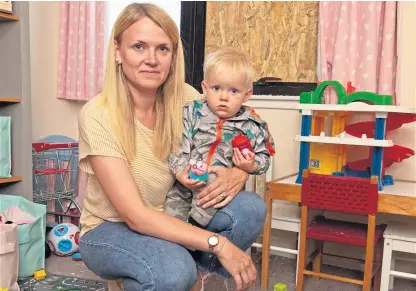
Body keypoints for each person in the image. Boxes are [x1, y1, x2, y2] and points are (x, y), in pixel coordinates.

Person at [77, 3, 266, 291]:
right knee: (173, 271)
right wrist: (219, 244)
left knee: (251, 208)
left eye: (162, 49)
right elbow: (135, 216)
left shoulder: (190, 101)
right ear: (118, 51)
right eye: (139, 46)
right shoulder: (97, 114)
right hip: (109, 228)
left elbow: (242, 130)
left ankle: (190, 275)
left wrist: (240, 173)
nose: (151, 59)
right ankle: (169, 270)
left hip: (173, 212)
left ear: (172, 56)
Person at [164, 48, 275, 227]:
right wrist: (179, 173)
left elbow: (264, 157)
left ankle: (195, 230)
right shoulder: (191, 112)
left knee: (212, 186)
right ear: (205, 88)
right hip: (184, 183)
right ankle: (176, 241)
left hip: (215, 190)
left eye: (233, 91)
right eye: (216, 88)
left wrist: (250, 166)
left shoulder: (252, 125)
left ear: (247, 94)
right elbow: (177, 145)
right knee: (169, 221)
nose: (223, 97)